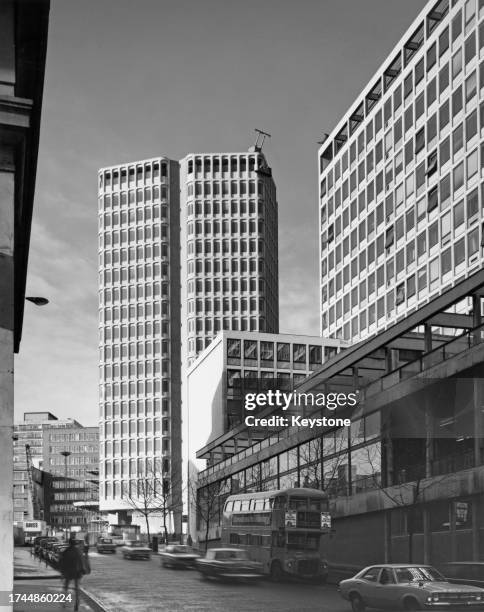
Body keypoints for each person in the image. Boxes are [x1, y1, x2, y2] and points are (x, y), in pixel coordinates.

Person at [59, 536, 85, 611]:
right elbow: (81, 561)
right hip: (77, 572)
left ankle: (63, 603)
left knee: (66, 587)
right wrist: (82, 570)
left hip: (68, 572)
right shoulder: (78, 551)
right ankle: (77, 603)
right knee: (77, 589)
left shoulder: (66, 551)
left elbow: (62, 563)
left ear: (69, 543)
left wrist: (62, 573)